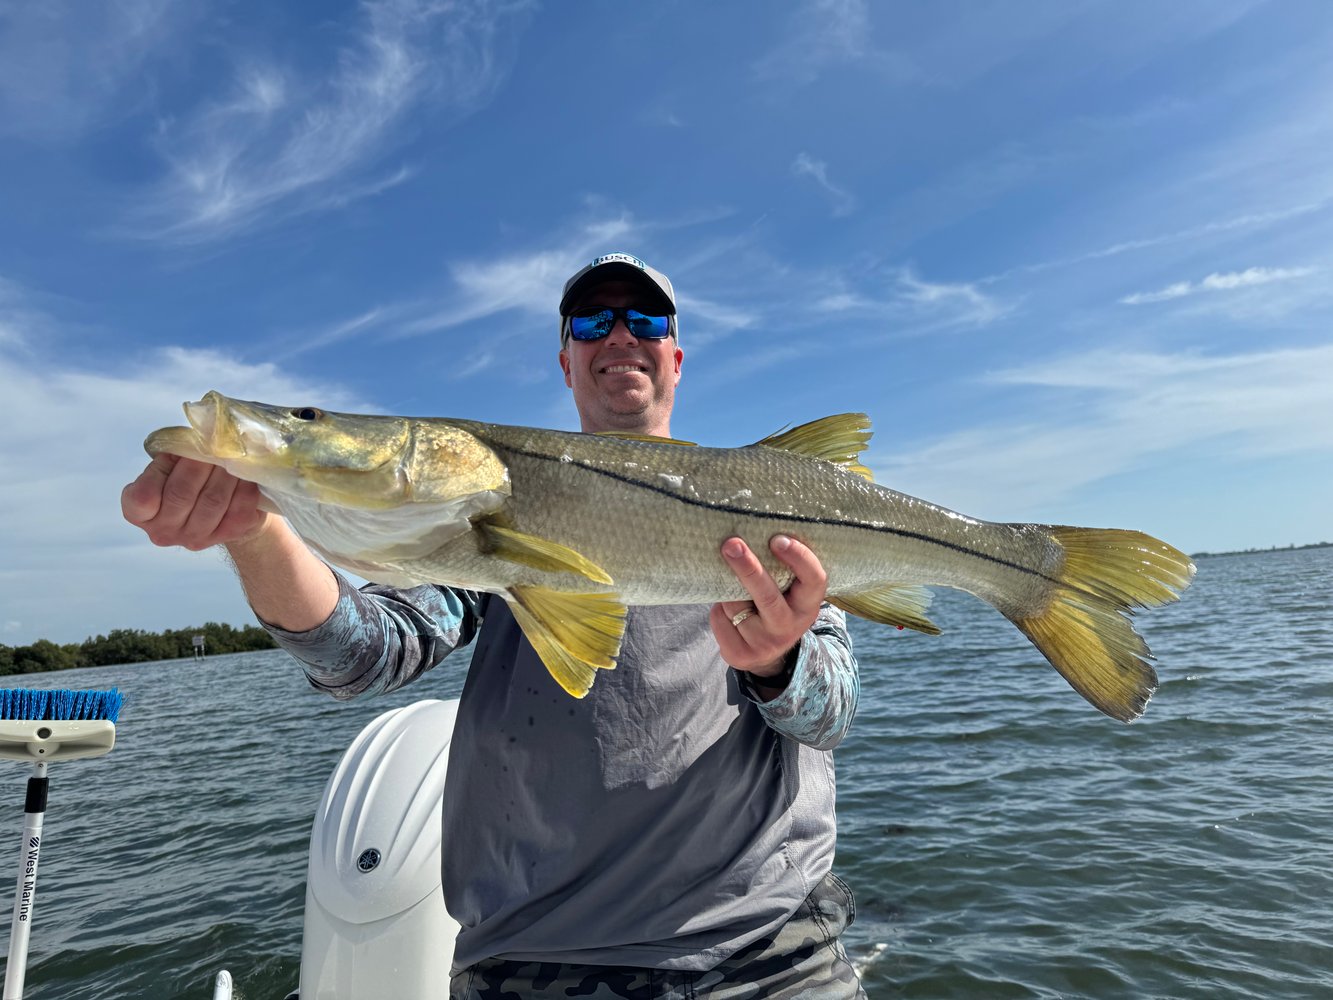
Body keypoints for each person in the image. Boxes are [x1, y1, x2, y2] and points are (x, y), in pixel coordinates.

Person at [123, 251, 866, 998]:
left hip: (769, 950)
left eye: (643, 320)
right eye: (589, 322)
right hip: (537, 962)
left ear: (674, 356)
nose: (617, 335)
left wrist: (778, 661)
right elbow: (361, 656)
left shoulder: (781, 516)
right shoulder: (467, 534)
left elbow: (829, 713)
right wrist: (255, 530)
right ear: (565, 362)